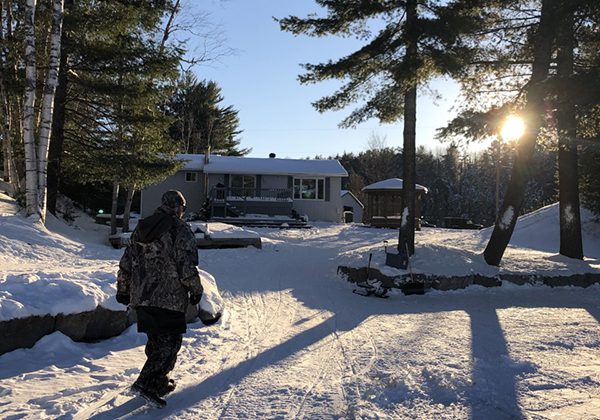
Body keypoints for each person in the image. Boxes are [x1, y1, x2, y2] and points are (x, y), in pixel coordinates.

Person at [115, 190, 203, 407]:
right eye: (182, 207)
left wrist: (123, 289)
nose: (183, 211)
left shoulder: (143, 226)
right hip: (169, 296)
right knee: (170, 343)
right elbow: (186, 264)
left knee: (156, 340)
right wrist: (195, 288)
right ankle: (145, 383)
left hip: (143, 295)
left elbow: (127, 260)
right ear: (177, 206)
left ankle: (159, 383)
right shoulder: (179, 229)